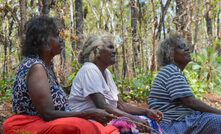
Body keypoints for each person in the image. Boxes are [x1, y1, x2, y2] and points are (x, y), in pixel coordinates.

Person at [3, 16, 119, 134]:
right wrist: (88, 113)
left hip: (51, 122)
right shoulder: (36, 66)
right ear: (44, 41)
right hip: (30, 123)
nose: (61, 40)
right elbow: (47, 113)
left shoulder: (48, 66)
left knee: (109, 130)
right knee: (80, 127)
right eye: (56, 35)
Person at [68, 34, 164, 134]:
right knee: (129, 125)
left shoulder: (106, 72)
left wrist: (146, 111)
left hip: (105, 117)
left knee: (149, 121)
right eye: (110, 47)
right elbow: (102, 105)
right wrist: (133, 119)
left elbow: (121, 105)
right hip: (89, 119)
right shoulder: (89, 69)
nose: (114, 51)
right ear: (97, 51)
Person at [148, 34, 221, 134]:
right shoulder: (171, 71)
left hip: (177, 122)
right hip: (171, 125)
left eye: (186, 46)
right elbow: (190, 102)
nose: (187, 49)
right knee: (217, 121)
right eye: (181, 47)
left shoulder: (172, 71)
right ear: (170, 53)